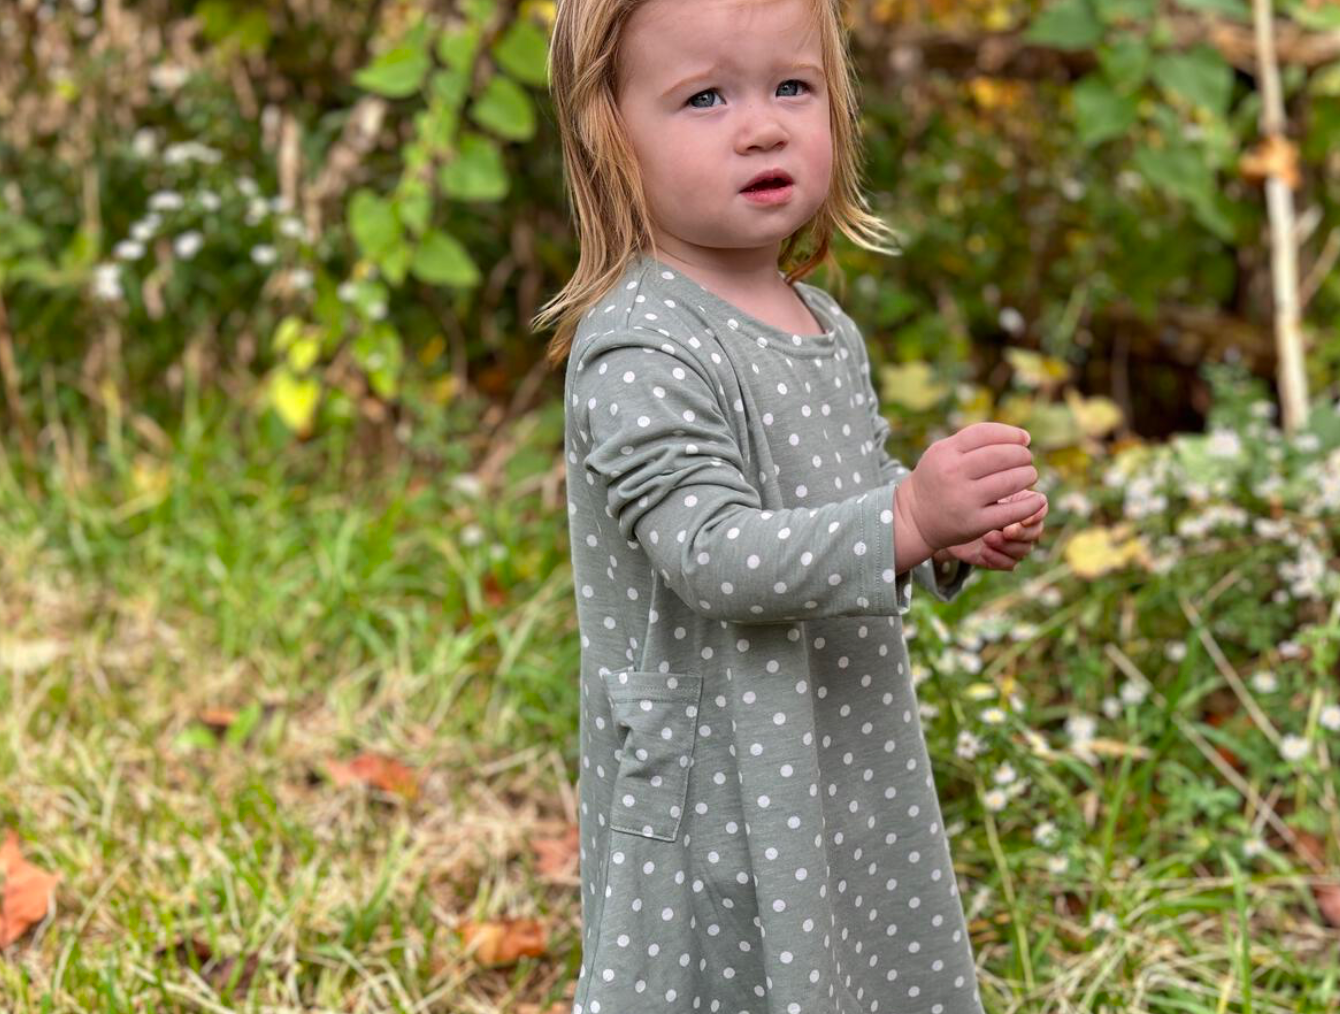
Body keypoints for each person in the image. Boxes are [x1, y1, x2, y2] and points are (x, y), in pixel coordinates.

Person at [533, 0, 1049, 1010]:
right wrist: (901, 517)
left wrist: (945, 537)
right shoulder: (641, 344)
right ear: (609, 139)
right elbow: (711, 552)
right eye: (703, 97)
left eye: (791, 87)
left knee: (854, 949)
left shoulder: (822, 322)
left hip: (835, 731)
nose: (760, 125)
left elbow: (840, 503)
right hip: (715, 770)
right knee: (721, 973)